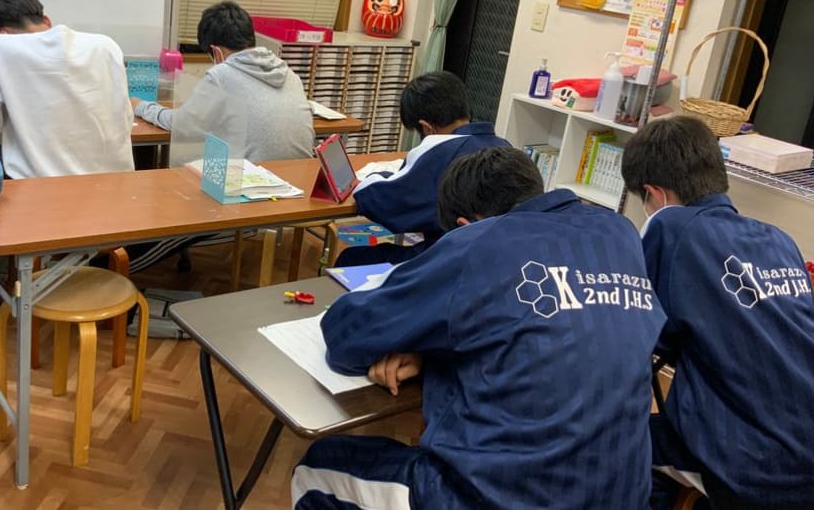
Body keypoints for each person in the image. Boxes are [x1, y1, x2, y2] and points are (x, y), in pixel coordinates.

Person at [292, 147, 665, 509]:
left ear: (463, 226)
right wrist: (427, 353)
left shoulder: (479, 243)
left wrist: (420, 343)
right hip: (622, 495)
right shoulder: (621, 233)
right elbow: (541, 332)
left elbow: (346, 335)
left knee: (316, 470)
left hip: (497, 496)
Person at [621, 116, 814, 510]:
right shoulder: (779, 240)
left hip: (756, 466)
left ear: (654, 194)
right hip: (804, 453)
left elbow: (636, 334)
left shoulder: (671, 228)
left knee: (617, 441)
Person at [334, 71, 508, 266]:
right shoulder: (504, 146)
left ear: (426, 127)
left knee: (351, 258)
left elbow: (392, 203)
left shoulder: (440, 150)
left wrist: (366, 182)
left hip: (446, 260)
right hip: (498, 257)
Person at [0, 0, 134, 179]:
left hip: (41, 191)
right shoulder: (105, 46)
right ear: (46, 20)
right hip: (116, 187)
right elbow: (125, 121)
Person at [132, 0, 314, 164]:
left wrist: (140, 106)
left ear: (216, 52)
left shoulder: (221, 75)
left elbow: (182, 124)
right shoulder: (289, 74)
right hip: (302, 182)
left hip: (255, 185)